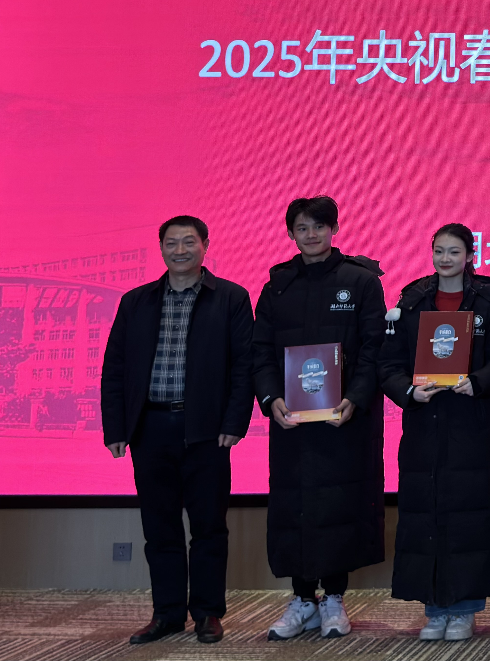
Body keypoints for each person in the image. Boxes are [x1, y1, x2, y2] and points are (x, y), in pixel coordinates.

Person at [100, 215, 253, 645]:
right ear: (161, 248)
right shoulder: (136, 301)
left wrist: (234, 423)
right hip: (150, 428)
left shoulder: (231, 298)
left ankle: (207, 612)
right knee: (159, 528)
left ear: (205, 246)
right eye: (171, 243)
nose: (180, 250)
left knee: (208, 527)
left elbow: (244, 367)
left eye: (189, 242)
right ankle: (166, 614)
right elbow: (114, 368)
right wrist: (116, 427)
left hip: (206, 430)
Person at [251, 196, 387, 640]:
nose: (311, 235)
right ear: (291, 233)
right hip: (291, 422)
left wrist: (355, 398)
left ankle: (334, 599)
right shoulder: (277, 287)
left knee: (339, 506)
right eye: (302, 228)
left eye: (319, 226)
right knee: (294, 506)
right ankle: (302, 599)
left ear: (334, 229)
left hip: (344, 419)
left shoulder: (361, 282)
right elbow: (260, 351)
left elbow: (374, 349)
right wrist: (270, 398)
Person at [378, 223, 490, 642]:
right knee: (425, 514)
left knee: (470, 516)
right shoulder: (413, 301)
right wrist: (408, 392)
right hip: (425, 426)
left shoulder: (488, 302)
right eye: (439, 251)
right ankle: (434, 610)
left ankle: (466, 609)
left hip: (472, 425)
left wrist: (479, 381)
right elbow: (389, 364)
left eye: (454, 251)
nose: (446, 259)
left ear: (470, 256)